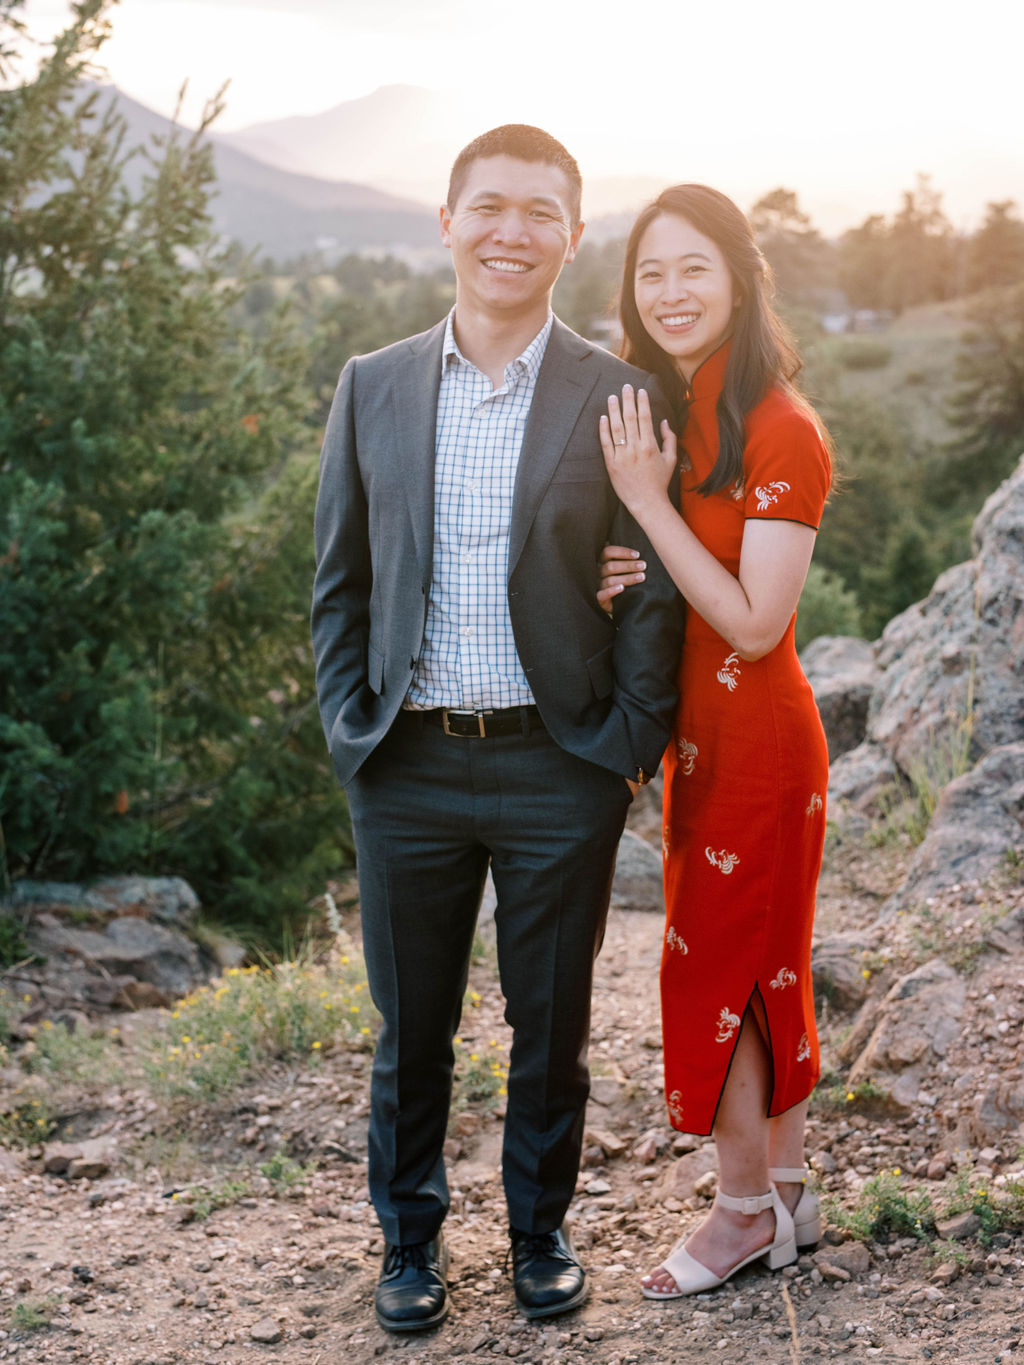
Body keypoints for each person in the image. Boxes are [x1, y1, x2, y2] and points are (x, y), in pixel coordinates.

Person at [311, 125, 684, 1333]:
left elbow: (654, 586)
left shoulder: (621, 393)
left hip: (557, 763)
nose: (510, 231)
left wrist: (624, 742)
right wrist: (349, 735)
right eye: (489, 207)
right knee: (409, 1028)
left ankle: (539, 1235)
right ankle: (409, 1247)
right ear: (448, 222)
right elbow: (340, 582)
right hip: (405, 761)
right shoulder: (372, 383)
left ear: (571, 238)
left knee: (551, 1025)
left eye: (538, 212)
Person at [596, 184, 832, 1298]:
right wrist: (626, 575)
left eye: (693, 267)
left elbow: (753, 617)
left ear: (739, 277)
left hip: (762, 742)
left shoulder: (781, 427)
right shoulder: (670, 412)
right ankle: (784, 1192)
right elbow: (685, 583)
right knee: (759, 962)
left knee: (723, 971)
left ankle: (739, 1215)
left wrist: (644, 509)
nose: (671, 291)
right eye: (651, 272)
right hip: (698, 739)